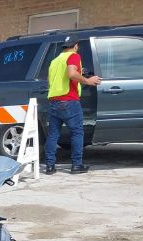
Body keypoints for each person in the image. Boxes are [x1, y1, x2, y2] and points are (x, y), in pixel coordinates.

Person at [44, 35, 102, 174]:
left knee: (53, 135)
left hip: (54, 101)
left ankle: (50, 167)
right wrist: (88, 81)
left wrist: (78, 73)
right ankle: (77, 165)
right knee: (77, 133)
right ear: (76, 46)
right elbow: (71, 73)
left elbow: (53, 80)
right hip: (69, 100)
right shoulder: (74, 56)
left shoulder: (55, 61)